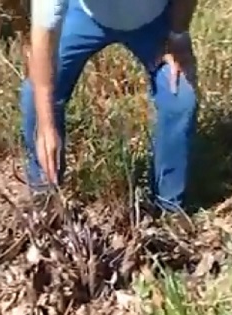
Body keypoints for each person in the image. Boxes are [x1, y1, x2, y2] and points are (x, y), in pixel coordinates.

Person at [23, 0, 198, 216]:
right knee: (35, 97)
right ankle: (45, 199)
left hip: (153, 23)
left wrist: (177, 35)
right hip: (85, 16)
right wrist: (46, 128)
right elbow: (42, 40)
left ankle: (168, 210)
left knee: (180, 99)